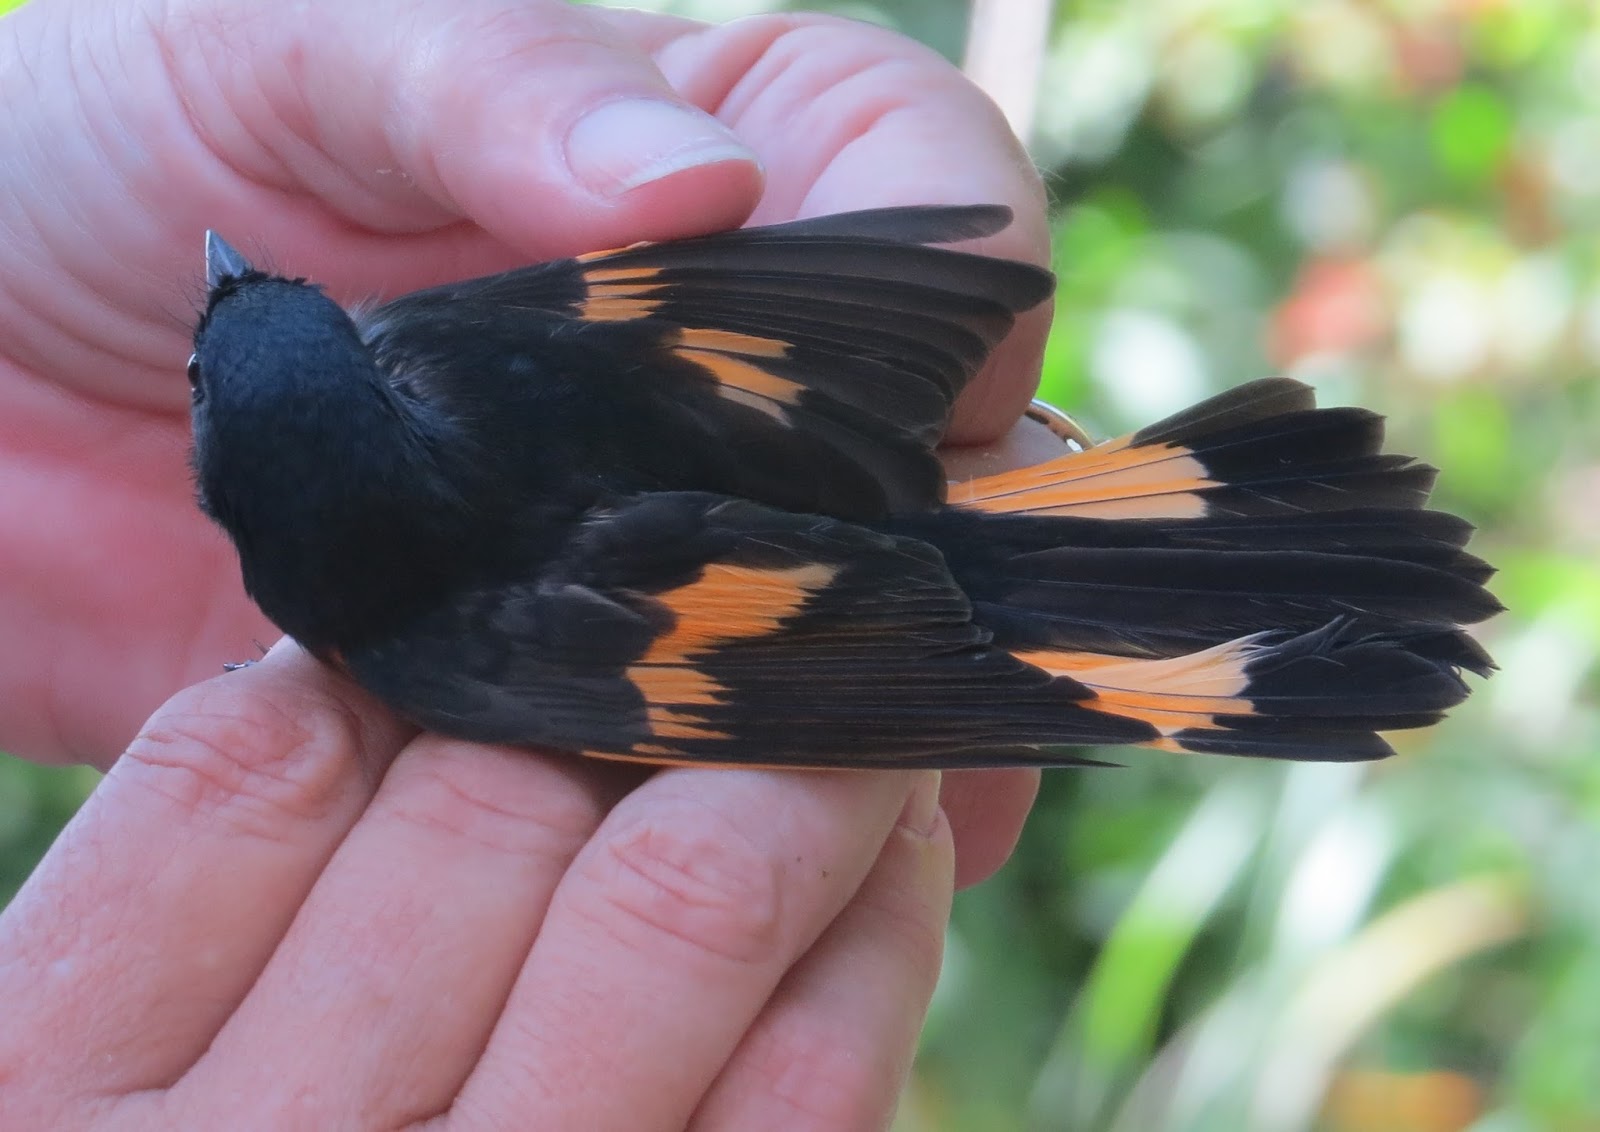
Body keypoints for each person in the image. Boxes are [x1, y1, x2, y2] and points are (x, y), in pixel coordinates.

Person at [0, 1, 1064, 1127]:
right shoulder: (436, 353)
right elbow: (681, 362)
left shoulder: (410, 617)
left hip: (833, 572)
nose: (220, 264)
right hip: (830, 567)